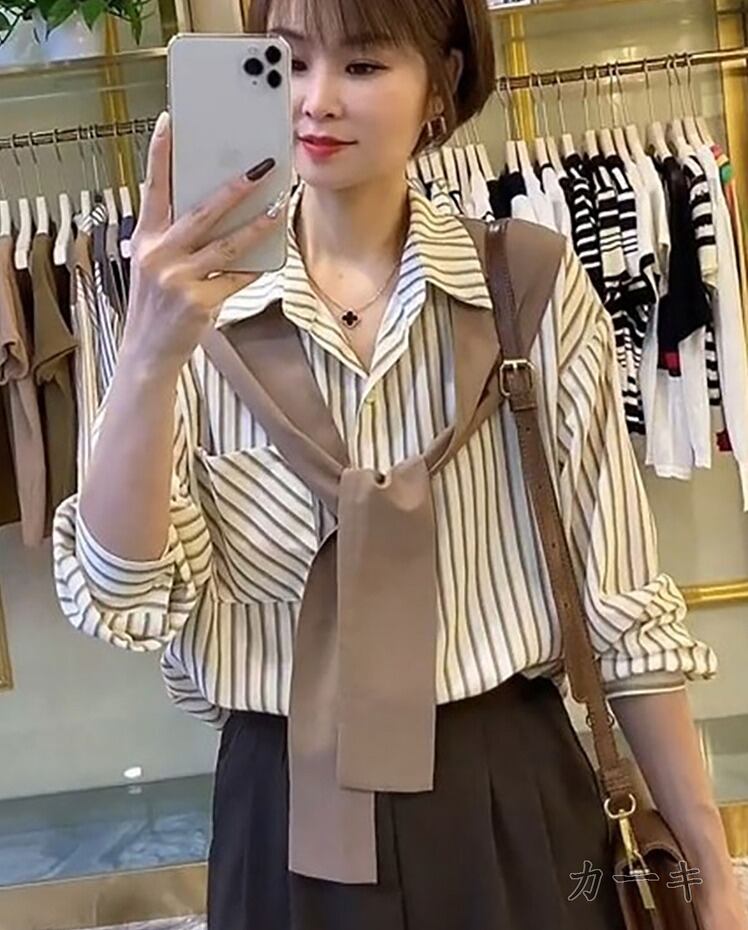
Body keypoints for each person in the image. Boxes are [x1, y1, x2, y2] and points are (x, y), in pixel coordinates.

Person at [51, 0, 748, 928]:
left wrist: (712, 870)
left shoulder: (527, 288)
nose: (316, 100)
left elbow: (621, 605)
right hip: (281, 808)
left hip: (509, 793)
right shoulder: (187, 313)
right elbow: (123, 596)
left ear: (442, 84)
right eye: (288, 60)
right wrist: (147, 353)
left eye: (364, 65)